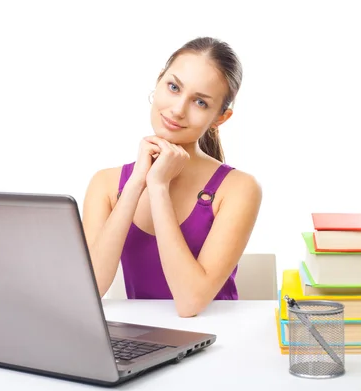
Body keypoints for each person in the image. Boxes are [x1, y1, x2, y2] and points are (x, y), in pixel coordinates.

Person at [82, 37, 262, 317]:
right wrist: (137, 183)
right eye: (174, 87)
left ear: (220, 118)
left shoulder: (239, 189)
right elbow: (90, 290)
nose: (178, 109)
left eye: (200, 102)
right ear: (159, 81)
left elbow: (190, 302)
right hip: (142, 343)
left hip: (220, 343)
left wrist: (158, 186)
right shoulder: (105, 184)